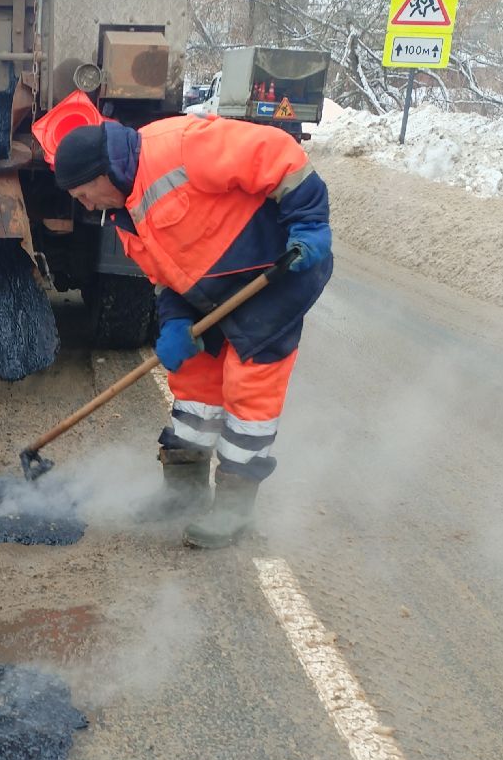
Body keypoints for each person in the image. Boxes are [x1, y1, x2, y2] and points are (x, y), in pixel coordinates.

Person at [52, 115, 332, 548]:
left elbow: (278, 154)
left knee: (248, 385)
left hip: (278, 273)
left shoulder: (178, 147)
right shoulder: (124, 218)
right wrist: (176, 320)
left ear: (102, 173)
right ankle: (183, 491)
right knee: (194, 378)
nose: (87, 206)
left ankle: (235, 508)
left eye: (84, 195)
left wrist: (310, 224)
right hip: (211, 295)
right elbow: (164, 277)